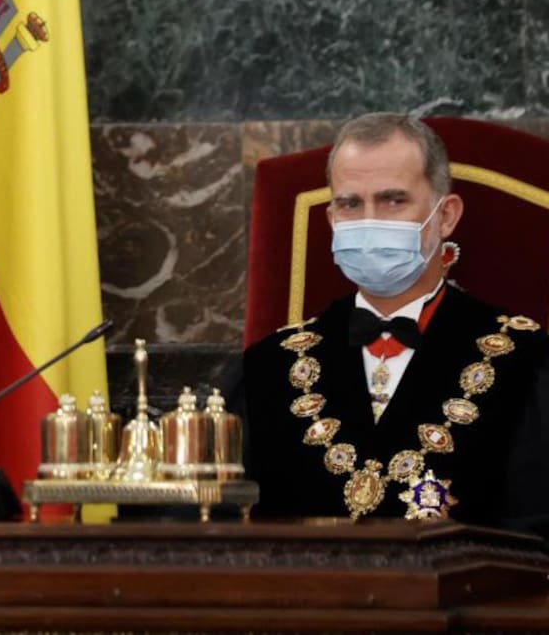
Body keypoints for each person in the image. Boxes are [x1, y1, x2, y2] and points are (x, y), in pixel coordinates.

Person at [232, 113, 549, 532]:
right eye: (350, 204)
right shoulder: (268, 367)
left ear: (446, 215)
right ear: (331, 219)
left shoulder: (523, 363)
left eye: (393, 200)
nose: (370, 222)